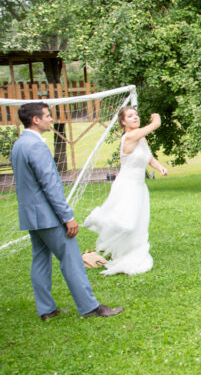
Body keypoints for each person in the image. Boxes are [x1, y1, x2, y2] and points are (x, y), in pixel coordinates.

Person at [10, 102, 123, 320]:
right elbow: (50, 185)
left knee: (40, 260)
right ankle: (90, 307)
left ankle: (46, 310)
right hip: (48, 217)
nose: (51, 119)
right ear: (36, 120)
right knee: (71, 258)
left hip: (31, 216)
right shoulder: (36, 146)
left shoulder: (19, 144)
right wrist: (67, 217)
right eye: (47, 115)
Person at [85, 107, 167, 276]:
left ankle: (131, 254)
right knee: (127, 224)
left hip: (140, 187)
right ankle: (99, 219)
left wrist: (160, 167)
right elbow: (155, 125)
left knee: (138, 224)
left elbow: (148, 157)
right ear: (123, 122)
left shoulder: (140, 138)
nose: (135, 118)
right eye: (130, 116)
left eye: (136, 115)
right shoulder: (129, 136)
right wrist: (156, 120)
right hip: (126, 185)